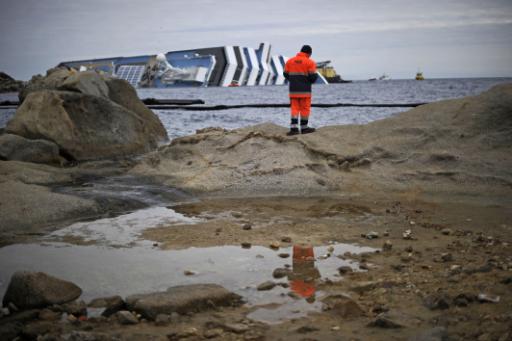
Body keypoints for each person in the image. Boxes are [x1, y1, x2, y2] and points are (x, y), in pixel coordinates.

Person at [283, 45, 318, 135]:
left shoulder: (290, 61)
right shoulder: (310, 62)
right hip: (305, 91)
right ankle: (304, 128)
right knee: (305, 108)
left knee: (294, 108)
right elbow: (313, 78)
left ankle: (294, 129)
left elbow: (285, 74)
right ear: (309, 53)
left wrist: (294, 80)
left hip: (293, 90)